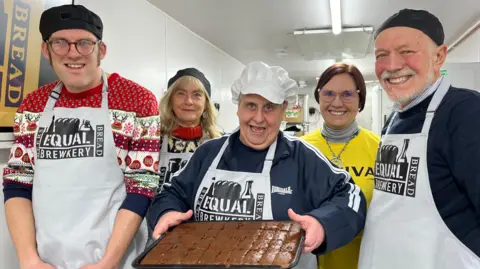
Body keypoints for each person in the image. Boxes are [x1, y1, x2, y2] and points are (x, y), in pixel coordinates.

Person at [146, 61, 367, 268]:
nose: (259, 118)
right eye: (251, 105)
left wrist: (323, 223)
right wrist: (166, 212)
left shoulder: (302, 157)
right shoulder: (209, 153)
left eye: (269, 107)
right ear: (238, 107)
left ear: (283, 110)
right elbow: (170, 193)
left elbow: (351, 197)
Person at [2, 4, 160, 269]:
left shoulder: (137, 101)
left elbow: (141, 187)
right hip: (45, 261)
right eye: (60, 43)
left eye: (84, 43)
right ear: (46, 50)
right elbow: (18, 183)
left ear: (101, 50)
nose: (73, 53)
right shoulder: (33, 105)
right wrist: (28, 258)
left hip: (115, 261)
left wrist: (107, 262)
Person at [358, 9, 480, 269]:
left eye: (406, 52)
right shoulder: (394, 118)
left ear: (439, 56)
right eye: (382, 56)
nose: (391, 66)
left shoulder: (465, 112)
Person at [302, 63, 379, 269]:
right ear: (319, 97)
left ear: (359, 99)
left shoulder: (380, 149)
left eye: (347, 94)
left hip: (364, 260)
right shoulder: (300, 149)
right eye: (328, 93)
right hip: (310, 261)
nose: (337, 102)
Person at [157, 68, 221, 189]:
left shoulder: (219, 143)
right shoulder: (153, 139)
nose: (188, 101)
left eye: (197, 95)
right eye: (181, 93)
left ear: (206, 104)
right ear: (170, 100)